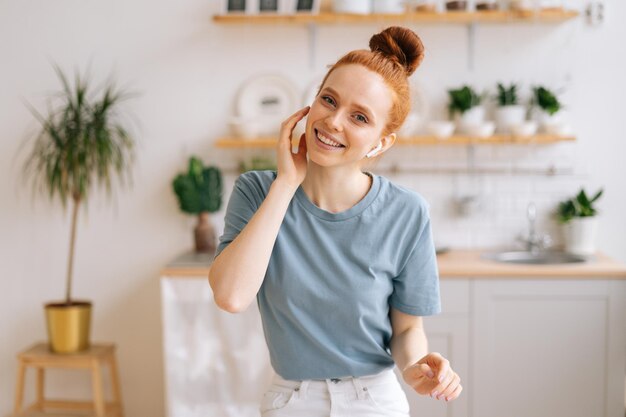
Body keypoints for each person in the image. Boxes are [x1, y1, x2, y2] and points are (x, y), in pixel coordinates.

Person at [209, 26, 462, 417]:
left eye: (359, 117)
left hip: (374, 401)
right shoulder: (258, 191)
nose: (333, 121)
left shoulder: (407, 213)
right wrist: (286, 184)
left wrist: (415, 368)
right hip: (290, 400)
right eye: (329, 100)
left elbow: (407, 328)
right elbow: (231, 296)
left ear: (381, 142)